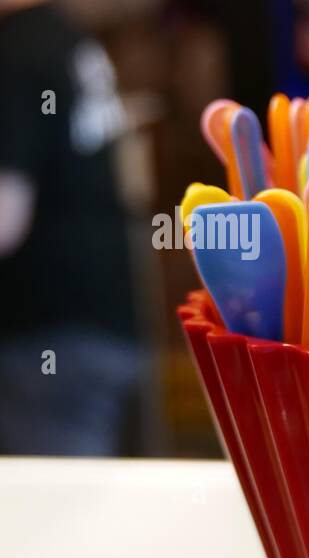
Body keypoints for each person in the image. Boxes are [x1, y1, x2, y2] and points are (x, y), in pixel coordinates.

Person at [0, 0, 142, 455]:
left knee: (55, 514)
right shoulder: (65, 37)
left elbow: (5, 215)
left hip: (51, 336)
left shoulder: (18, 51)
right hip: (100, 319)